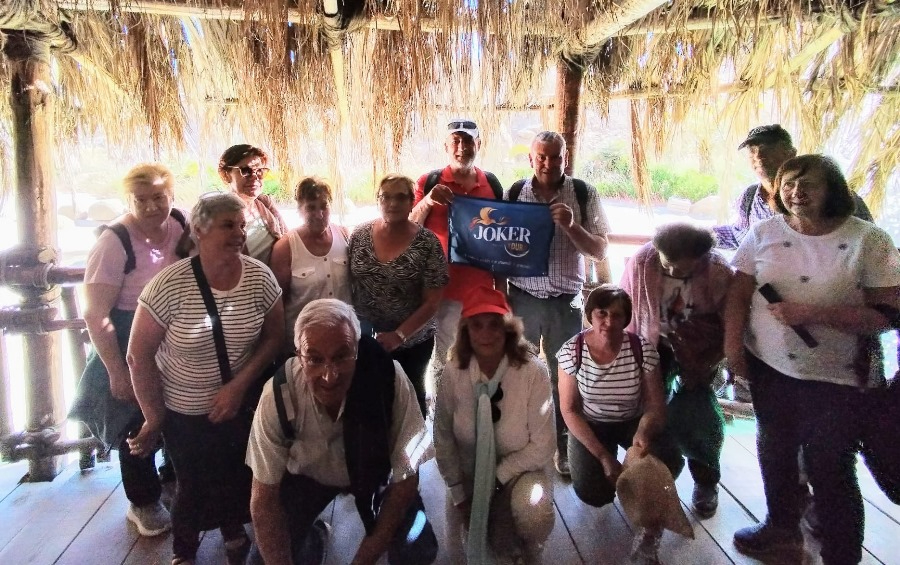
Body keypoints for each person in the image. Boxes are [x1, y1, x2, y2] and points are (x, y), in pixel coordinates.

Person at [724, 154, 900, 564]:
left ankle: (842, 553)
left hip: (838, 376)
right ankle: (780, 526)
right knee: (774, 448)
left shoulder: (867, 241)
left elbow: (889, 315)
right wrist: (734, 349)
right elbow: (738, 292)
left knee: (830, 464)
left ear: (833, 190)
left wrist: (813, 314)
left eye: (809, 184)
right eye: (788, 184)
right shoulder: (765, 231)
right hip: (770, 365)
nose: (796, 192)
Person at [127, 192, 284, 565]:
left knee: (238, 474)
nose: (239, 233)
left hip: (242, 403)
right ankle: (184, 551)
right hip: (185, 408)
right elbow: (138, 355)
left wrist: (239, 385)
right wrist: (153, 416)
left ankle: (233, 533)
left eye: (243, 225)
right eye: (229, 225)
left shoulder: (259, 277)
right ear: (199, 230)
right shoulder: (169, 286)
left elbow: (275, 336)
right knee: (194, 483)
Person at [246, 299, 436, 565]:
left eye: (341, 356)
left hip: (375, 471)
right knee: (262, 559)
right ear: (298, 355)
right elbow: (264, 500)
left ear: (357, 349)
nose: (329, 375)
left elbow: (405, 481)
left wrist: (362, 560)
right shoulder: (279, 394)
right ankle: (311, 540)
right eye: (314, 359)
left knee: (417, 547)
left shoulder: (388, 378)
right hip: (307, 477)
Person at [69, 164, 188, 537]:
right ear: (129, 200)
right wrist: (117, 371)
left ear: (171, 196)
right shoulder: (114, 242)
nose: (152, 206)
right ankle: (143, 502)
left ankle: (172, 482)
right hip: (127, 338)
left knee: (178, 411)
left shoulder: (180, 224)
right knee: (135, 423)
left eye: (159, 198)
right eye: (142, 200)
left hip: (172, 336)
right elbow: (94, 314)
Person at [505, 131, 610, 475]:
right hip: (522, 299)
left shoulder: (583, 192)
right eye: (542, 156)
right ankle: (518, 444)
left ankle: (563, 446)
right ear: (531, 159)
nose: (548, 163)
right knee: (518, 373)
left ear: (565, 157)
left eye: (556, 157)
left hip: (566, 302)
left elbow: (599, 250)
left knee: (565, 378)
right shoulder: (513, 193)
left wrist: (571, 226)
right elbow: (500, 245)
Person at [557, 285, 680, 564]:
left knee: (667, 459)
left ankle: (650, 525)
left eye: (617, 315)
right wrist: (602, 456)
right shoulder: (572, 351)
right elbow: (569, 409)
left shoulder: (641, 349)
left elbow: (655, 406)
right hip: (591, 422)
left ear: (626, 318)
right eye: (602, 313)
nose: (609, 322)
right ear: (590, 314)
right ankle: (616, 480)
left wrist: (643, 432)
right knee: (592, 492)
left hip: (632, 420)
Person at [434, 286, 556, 564]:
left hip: (518, 473)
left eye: (494, 325)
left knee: (533, 514)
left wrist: (498, 478)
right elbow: (442, 437)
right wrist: (458, 492)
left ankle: (530, 549)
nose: (486, 334)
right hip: (468, 474)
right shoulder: (454, 372)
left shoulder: (532, 371)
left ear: (508, 330)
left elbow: (544, 445)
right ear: (466, 331)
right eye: (477, 326)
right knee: (458, 553)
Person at [620, 223, 732, 519]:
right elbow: (626, 306)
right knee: (652, 412)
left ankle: (706, 481)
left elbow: (731, 322)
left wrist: (712, 359)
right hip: (652, 345)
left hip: (699, 350)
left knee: (700, 417)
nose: (675, 274)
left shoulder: (718, 270)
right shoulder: (643, 261)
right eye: (668, 267)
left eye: (685, 271)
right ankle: (657, 479)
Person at [410, 119, 506, 404]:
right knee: (443, 361)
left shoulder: (492, 183)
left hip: (482, 292)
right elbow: (410, 227)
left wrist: (501, 292)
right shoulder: (428, 181)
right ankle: (443, 418)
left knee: (482, 359)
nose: (461, 148)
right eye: (455, 141)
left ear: (478, 145)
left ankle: (479, 416)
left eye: (467, 141)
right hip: (441, 292)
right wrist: (428, 201)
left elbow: (502, 241)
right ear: (446, 146)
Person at [349, 174, 449, 416]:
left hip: (413, 341)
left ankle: (415, 452)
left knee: (410, 403)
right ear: (378, 200)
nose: (393, 203)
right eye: (386, 197)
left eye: (401, 197)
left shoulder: (427, 243)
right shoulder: (359, 235)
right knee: (370, 402)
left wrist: (399, 335)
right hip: (366, 339)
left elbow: (433, 301)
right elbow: (349, 283)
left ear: (411, 201)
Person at [712, 124, 872, 250]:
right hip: (766, 289)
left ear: (791, 153)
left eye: (768, 149)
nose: (759, 156)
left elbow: (867, 240)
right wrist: (697, 237)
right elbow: (740, 236)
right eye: (752, 151)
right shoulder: (750, 197)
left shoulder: (832, 192)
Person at [270, 177, 351, 358]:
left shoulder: (344, 235)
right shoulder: (286, 247)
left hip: (344, 337)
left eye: (324, 206)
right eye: (311, 207)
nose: (319, 214)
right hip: (303, 344)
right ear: (299, 209)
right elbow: (278, 303)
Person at [218, 144, 288, 264]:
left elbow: (288, 239)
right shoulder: (218, 215)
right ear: (226, 175)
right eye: (245, 171)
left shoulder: (264, 203)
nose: (254, 177)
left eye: (260, 171)